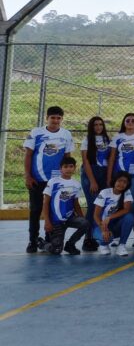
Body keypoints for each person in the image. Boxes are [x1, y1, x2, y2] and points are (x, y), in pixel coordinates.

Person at [23, 105, 74, 253]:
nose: (55, 120)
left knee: (52, 211)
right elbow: (28, 155)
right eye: (53, 117)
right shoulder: (36, 132)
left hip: (56, 181)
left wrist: (66, 178)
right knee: (35, 210)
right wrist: (28, 175)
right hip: (37, 180)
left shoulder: (66, 134)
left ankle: (49, 239)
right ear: (47, 118)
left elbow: (67, 158)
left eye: (59, 118)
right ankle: (32, 240)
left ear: (62, 120)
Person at [41, 156, 88, 255]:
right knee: (56, 251)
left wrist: (82, 218)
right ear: (60, 169)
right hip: (56, 221)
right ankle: (42, 243)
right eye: (65, 166)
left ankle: (70, 245)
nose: (68, 169)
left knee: (86, 224)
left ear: (75, 168)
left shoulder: (76, 184)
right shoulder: (53, 182)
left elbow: (76, 203)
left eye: (71, 166)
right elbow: (46, 203)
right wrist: (47, 222)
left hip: (70, 218)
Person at [80, 115, 110, 252]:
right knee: (93, 206)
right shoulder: (87, 140)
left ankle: (101, 236)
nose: (98, 127)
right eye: (95, 125)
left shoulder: (108, 140)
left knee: (103, 207)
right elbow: (85, 161)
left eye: (100, 125)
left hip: (104, 173)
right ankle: (87, 238)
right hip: (90, 173)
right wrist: (92, 181)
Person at [107, 113, 134, 205]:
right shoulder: (117, 137)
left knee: (132, 200)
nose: (130, 122)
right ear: (124, 123)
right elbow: (112, 158)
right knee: (117, 200)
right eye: (127, 120)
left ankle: (131, 219)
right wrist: (109, 177)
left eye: (133, 120)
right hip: (119, 173)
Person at [93, 172, 134, 257]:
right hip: (102, 225)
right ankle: (103, 245)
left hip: (116, 225)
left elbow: (127, 209)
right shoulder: (105, 192)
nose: (122, 184)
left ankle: (121, 246)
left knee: (130, 217)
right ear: (114, 181)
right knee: (105, 238)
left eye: (125, 182)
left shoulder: (127, 192)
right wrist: (103, 229)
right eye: (119, 181)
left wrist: (110, 217)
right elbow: (96, 215)